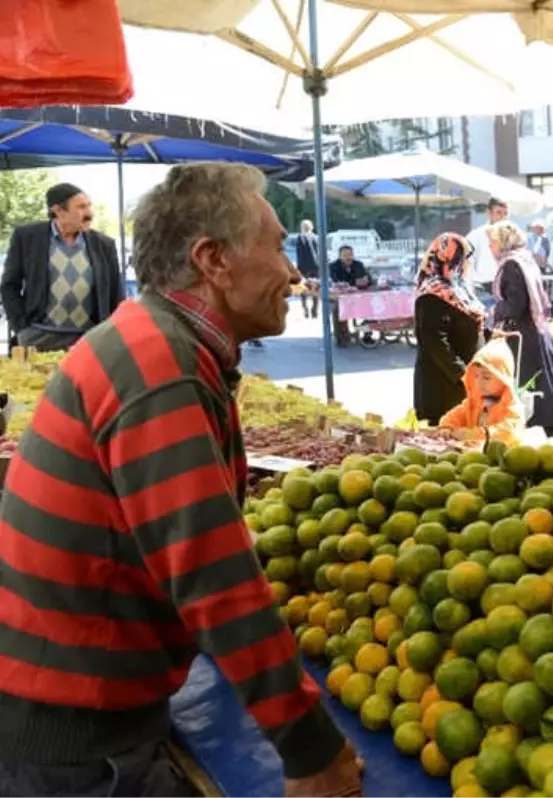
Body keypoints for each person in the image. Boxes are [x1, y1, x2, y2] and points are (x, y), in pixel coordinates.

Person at [0, 163, 361, 797]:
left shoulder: (155, 341)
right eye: (277, 247)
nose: (292, 272)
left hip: (75, 709)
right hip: (77, 742)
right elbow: (212, 571)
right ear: (212, 259)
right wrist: (311, 750)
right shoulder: (159, 367)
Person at [1, 182, 124, 352]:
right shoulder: (27, 237)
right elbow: (9, 285)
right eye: (81, 207)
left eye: (89, 206)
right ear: (58, 211)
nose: (89, 213)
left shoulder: (104, 244)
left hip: (88, 339)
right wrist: (22, 329)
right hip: (39, 337)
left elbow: (116, 294)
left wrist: (110, 334)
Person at [488, 220, 553, 437]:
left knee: (531, 387)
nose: (490, 247)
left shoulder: (511, 264)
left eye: (493, 242)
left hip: (523, 337)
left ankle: (551, 433)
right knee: (544, 384)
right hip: (536, 330)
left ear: (504, 242)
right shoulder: (525, 259)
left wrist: (494, 312)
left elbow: (516, 303)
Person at [413, 232, 485, 423]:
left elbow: (469, 322)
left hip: (463, 380)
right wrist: (461, 373)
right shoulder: (431, 294)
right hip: (444, 385)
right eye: (460, 259)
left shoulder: (458, 287)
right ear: (445, 257)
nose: (465, 265)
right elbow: (434, 340)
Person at [439, 337, 524, 446]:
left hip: (503, 459)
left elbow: (508, 432)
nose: (479, 382)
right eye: (476, 376)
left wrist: (476, 434)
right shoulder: (474, 402)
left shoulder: (512, 408)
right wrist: (448, 426)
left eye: (486, 378)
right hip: (475, 457)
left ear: (504, 380)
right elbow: (456, 415)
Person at [466, 198, 509, 300]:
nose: (502, 217)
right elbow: (466, 262)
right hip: (483, 290)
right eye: (498, 212)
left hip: (505, 289)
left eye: (505, 213)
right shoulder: (476, 235)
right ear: (488, 213)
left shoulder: (511, 235)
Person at [295, 218, 321, 318]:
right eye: (304, 226)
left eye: (307, 226)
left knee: (312, 288)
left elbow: (318, 252)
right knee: (307, 288)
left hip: (312, 267)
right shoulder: (302, 238)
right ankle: (308, 309)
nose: (306, 228)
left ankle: (312, 309)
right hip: (308, 267)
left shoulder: (313, 237)